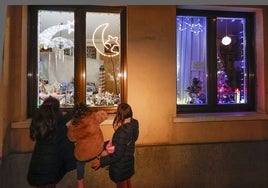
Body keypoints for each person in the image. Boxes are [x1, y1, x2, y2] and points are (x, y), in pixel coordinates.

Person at [27, 96, 76, 188]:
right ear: (57, 110)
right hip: (50, 174)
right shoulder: (60, 128)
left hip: (35, 172)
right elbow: (67, 149)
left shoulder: (41, 126)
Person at [91, 103, 139, 188]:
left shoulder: (122, 132)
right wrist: (104, 145)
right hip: (128, 162)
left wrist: (101, 162)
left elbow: (117, 154)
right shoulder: (133, 124)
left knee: (122, 185)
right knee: (127, 182)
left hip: (120, 166)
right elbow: (119, 143)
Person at [67, 102, 108, 188]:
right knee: (106, 144)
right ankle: (102, 154)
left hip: (83, 154)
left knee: (79, 163)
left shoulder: (73, 125)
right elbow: (104, 115)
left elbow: (71, 139)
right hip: (97, 148)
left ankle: (80, 183)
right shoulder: (93, 116)